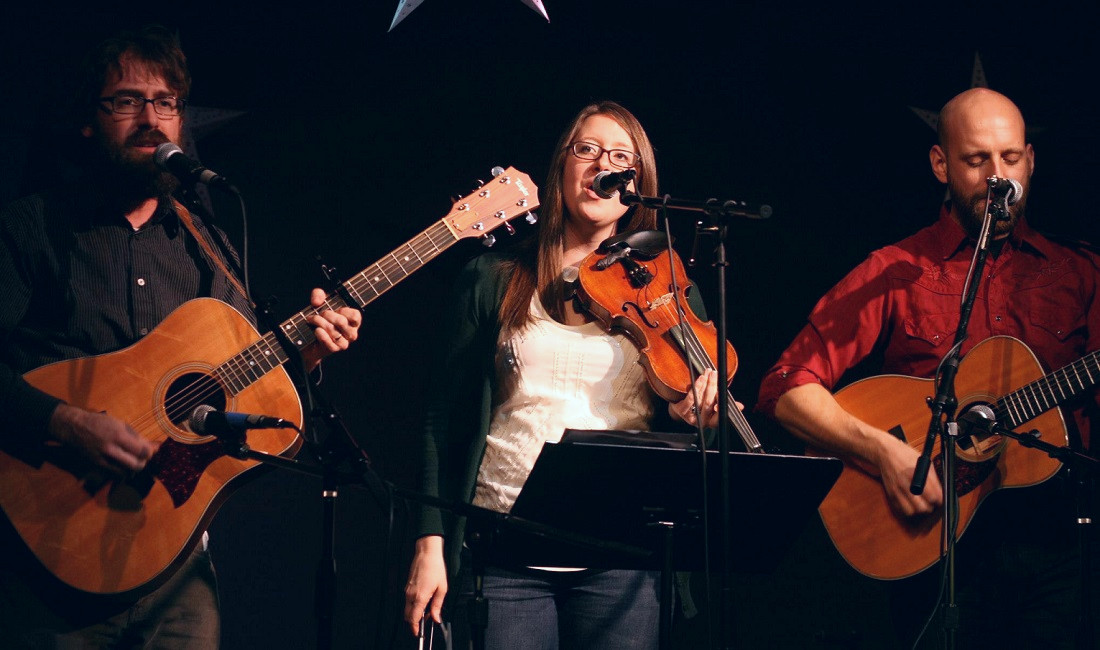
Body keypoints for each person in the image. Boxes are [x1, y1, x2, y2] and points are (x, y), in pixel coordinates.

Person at [0, 25, 361, 647]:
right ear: (90, 120)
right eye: (126, 100)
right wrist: (64, 421)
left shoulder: (207, 247)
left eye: (166, 103)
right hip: (46, 558)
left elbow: (241, 384)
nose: (151, 118)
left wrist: (305, 348)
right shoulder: (33, 227)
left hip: (176, 566)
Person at [757, 87, 1099, 649]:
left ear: (1031, 160)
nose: (998, 178)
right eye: (976, 160)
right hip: (936, 551)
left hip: (1056, 549)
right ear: (941, 164)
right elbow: (787, 387)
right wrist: (885, 452)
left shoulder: (1079, 272)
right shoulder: (893, 271)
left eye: (1011, 159)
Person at [402, 100, 725, 649]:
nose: (603, 164)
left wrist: (693, 414)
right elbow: (441, 418)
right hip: (504, 549)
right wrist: (429, 544)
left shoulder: (670, 290)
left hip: (622, 555)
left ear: (637, 181)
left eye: (620, 155)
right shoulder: (491, 278)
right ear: (562, 166)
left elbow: (697, 434)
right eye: (587, 150)